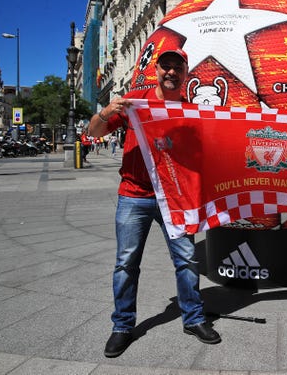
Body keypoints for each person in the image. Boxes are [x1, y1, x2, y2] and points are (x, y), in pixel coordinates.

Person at [88, 47, 221, 358]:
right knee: (126, 263)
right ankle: (122, 326)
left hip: (174, 198)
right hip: (133, 195)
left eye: (178, 67)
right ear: (157, 70)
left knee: (187, 261)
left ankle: (194, 318)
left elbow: (207, 154)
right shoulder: (135, 101)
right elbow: (93, 133)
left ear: (186, 74)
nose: (171, 72)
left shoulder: (190, 112)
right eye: (166, 66)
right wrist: (107, 112)